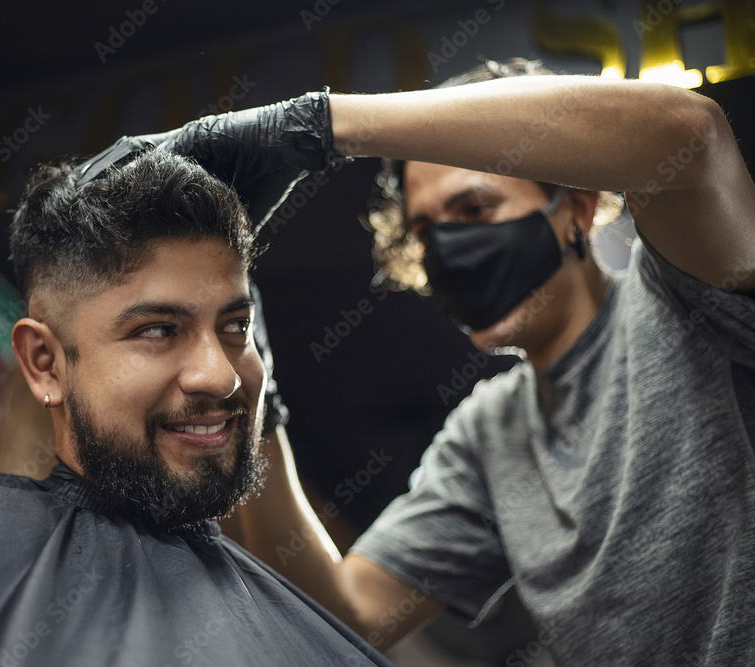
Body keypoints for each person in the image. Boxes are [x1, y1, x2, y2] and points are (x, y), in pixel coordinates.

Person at [0, 147, 391, 665]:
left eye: (235, 326)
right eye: (159, 329)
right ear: (45, 364)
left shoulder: (326, 643)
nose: (220, 376)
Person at [229, 59, 755, 665]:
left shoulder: (684, 298)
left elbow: (692, 136)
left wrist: (320, 122)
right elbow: (344, 616)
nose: (449, 250)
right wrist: (247, 388)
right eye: (426, 231)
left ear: (576, 210)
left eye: (475, 209)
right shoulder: (491, 436)